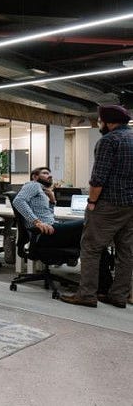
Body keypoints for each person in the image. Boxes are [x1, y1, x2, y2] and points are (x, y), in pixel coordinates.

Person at [61, 105, 133, 309]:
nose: (99, 124)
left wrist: (92, 202)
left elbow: (98, 177)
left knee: (91, 248)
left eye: (100, 121)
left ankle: (86, 294)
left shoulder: (109, 140)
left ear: (108, 122)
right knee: (126, 251)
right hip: (131, 205)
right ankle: (119, 295)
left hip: (109, 203)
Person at [12, 166, 84, 249]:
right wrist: (37, 222)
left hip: (50, 227)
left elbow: (48, 214)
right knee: (85, 223)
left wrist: (52, 200)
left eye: (49, 173)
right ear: (35, 177)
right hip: (43, 232)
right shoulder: (33, 185)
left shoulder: (42, 190)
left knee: (81, 235)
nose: (50, 176)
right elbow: (18, 201)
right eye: (45, 173)